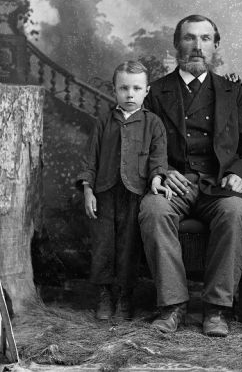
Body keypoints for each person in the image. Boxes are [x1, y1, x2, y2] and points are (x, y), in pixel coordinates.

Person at [138, 14, 242, 337]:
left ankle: (217, 308)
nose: (197, 47)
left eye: (205, 39)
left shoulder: (232, 93)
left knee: (236, 210)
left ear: (216, 46)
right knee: (152, 210)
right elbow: (138, 144)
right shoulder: (154, 92)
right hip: (173, 186)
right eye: (190, 38)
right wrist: (162, 170)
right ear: (177, 44)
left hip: (217, 185)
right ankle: (172, 306)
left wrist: (240, 172)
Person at [76, 61, 170, 320]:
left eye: (136, 88)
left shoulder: (153, 123)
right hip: (105, 192)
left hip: (135, 193)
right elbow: (90, 158)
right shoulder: (104, 121)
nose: (130, 94)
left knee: (129, 246)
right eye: (124, 88)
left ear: (146, 91)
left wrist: (156, 178)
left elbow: (158, 157)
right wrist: (88, 190)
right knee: (104, 245)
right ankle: (105, 295)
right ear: (114, 90)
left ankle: (125, 297)